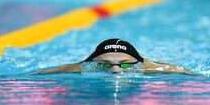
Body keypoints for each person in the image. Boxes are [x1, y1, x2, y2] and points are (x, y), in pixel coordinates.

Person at [34, 38, 194, 75]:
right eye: (104, 64)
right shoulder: (78, 68)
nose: (115, 71)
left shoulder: (152, 68)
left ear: (141, 63)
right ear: (89, 62)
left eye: (125, 65)